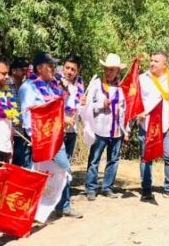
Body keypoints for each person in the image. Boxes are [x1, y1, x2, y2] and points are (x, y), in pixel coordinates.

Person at [19, 52, 83, 218]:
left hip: (55, 138)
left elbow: (55, 110)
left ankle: (63, 206)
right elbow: (28, 116)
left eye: (55, 65)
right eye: (50, 65)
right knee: (38, 174)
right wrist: (33, 138)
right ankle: (29, 211)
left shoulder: (52, 85)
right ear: (39, 68)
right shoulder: (28, 87)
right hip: (40, 140)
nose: (54, 68)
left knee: (61, 170)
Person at [138, 50, 169, 202]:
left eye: (156, 61)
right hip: (147, 125)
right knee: (147, 158)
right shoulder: (142, 78)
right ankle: (146, 190)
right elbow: (134, 100)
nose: (152, 63)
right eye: (151, 60)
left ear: (165, 64)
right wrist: (138, 113)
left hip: (168, 124)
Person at [84, 53, 127, 200]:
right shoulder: (96, 85)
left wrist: (125, 129)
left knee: (113, 160)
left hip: (116, 130)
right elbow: (87, 107)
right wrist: (101, 104)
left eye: (112, 69)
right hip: (99, 128)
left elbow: (126, 110)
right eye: (106, 69)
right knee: (94, 159)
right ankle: (91, 187)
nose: (108, 72)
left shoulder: (122, 88)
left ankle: (107, 187)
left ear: (117, 71)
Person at [60, 56, 84, 163]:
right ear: (63, 66)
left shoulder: (79, 85)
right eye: (67, 68)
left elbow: (80, 106)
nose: (69, 72)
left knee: (68, 162)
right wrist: (63, 118)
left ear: (78, 71)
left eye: (73, 69)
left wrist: (84, 103)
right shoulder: (55, 83)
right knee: (58, 165)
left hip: (72, 130)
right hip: (58, 130)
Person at [8, 57, 31, 167]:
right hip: (10, 134)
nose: (25, 73)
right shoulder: (5, 85)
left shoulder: (26, 86)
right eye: (22, 70)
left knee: (23, 166)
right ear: (13, 71)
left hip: (23, 133)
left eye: (26, 70)